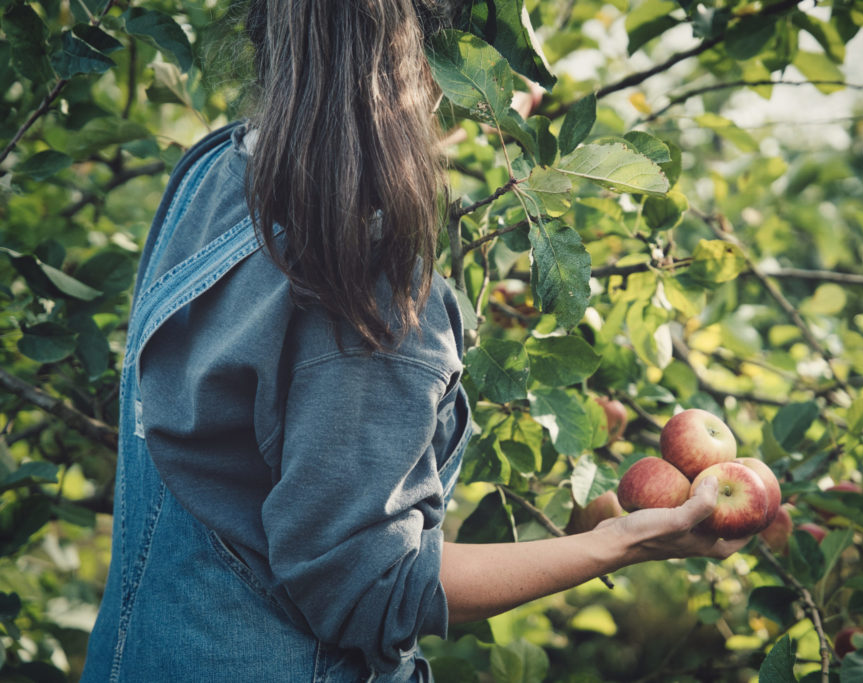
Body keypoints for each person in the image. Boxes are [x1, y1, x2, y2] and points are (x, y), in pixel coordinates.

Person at [81, 1, 748, 681]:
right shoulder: (370, 293)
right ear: (434, 61)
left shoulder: (212, 178)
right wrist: (618, 545)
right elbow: (374, 591)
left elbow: (238, 476)